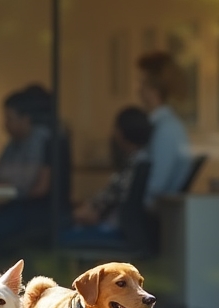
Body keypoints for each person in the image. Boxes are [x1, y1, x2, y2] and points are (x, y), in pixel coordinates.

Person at [0, 85, 56, 255]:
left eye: (9, 118)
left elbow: (24, 181)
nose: (5, 124)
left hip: (30, 210)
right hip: (13, 206)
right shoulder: (14, 143)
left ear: (26, 119)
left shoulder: (39, 139)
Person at [61, 106, 153, 249]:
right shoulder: (141, 161)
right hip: (122, 228)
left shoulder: (133, 166)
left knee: (60, 237)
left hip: (112, 229)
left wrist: (80, 213)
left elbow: (102, 206)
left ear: (121, 134)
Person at [137, 51, 193, 209]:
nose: (138, 89)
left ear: (153, 89)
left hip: (146, 218)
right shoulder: (160, 125)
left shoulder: (167, 129)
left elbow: (155, 186)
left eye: (142, 82)